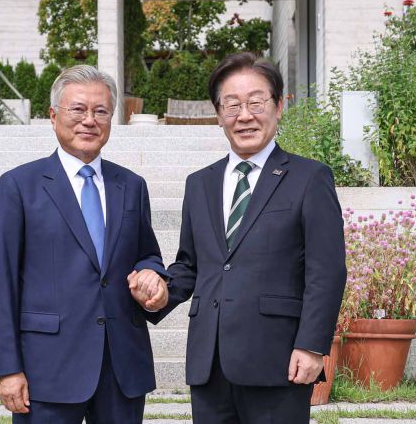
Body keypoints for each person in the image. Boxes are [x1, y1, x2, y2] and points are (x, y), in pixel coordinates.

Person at [133, 52, 347, 423]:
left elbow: (326, 270)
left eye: (255, 103)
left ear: (278, 107)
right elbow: (191, 265)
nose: (244, 115)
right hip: (210, 363)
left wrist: (312, 346)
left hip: (278, 361)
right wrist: (160, 293)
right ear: (218, 115)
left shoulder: (309, 178)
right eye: (232, 105)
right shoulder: (200, 184)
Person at [0, 64, 169, 424]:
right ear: (53, 116)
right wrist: (7, 368)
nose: (89, 120)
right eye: (78, 109)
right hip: (46, 369)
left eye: (101, 111)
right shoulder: (19, 186)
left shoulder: (132, 186)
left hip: (122, 367)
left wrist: (152, 276)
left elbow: (147, 254)